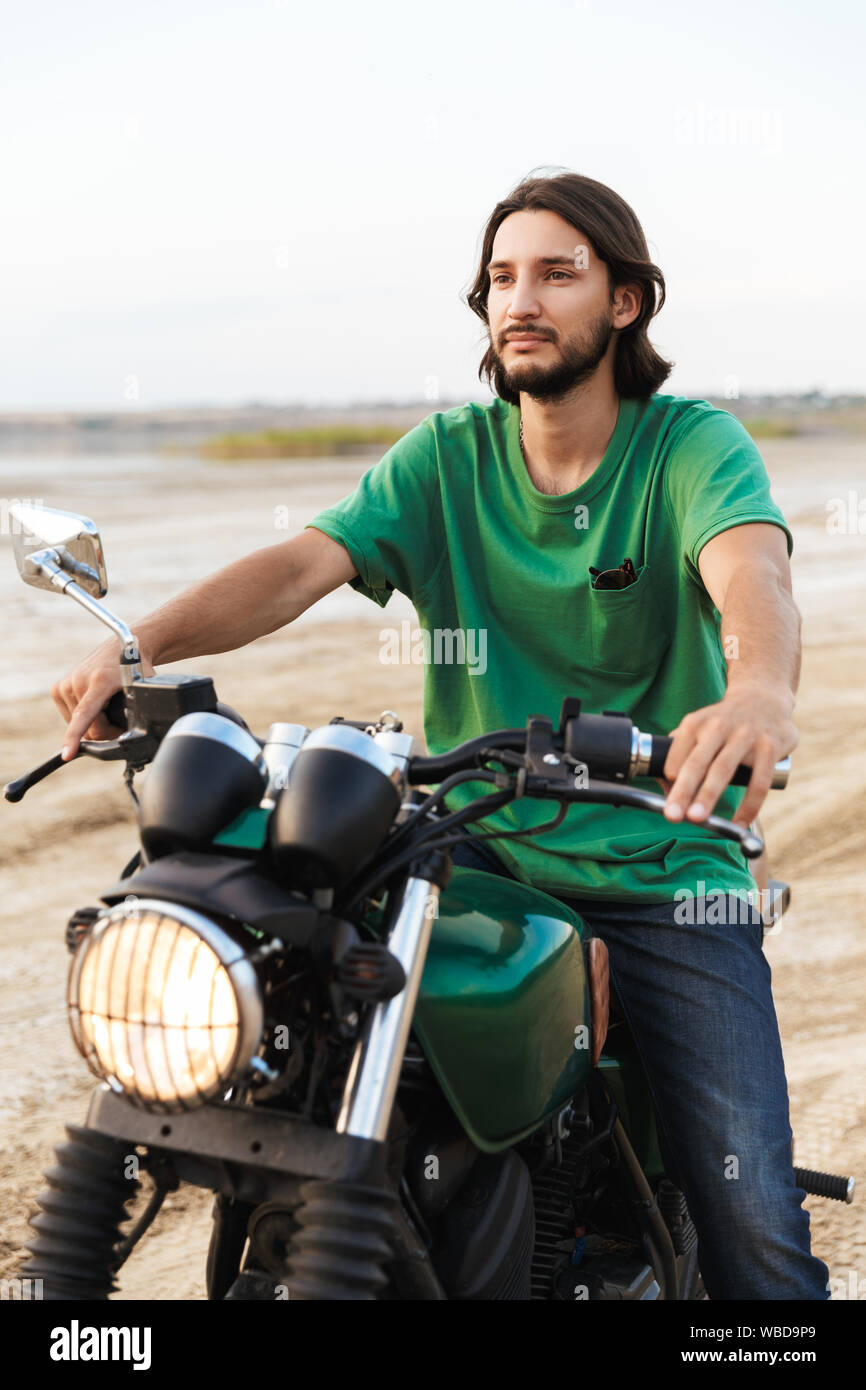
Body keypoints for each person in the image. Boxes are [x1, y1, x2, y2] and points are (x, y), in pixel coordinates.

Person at [52, 169, 828, 1300]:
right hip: (470, 852)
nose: (520, 298)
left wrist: (756, 693)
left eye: (556, 273)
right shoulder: (446, 457)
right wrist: (142, 648)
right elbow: (299, 564)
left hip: (658, 860)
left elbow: (749, 572)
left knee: (755, 1229)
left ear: (622, 302)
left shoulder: (685, 447)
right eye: (500, 277)